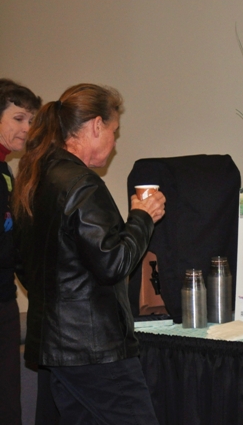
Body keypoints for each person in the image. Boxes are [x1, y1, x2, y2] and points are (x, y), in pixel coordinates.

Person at [13, 83, 166, 424]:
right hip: (94, 349)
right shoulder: (81, 183)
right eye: (114, 131)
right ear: (97, 125)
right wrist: (142, 217)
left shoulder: (35, 176)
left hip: (56, 346)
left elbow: (24, 263)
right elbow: (113, 263)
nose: (114, 143)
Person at [0, 78, 41, 425]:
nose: (27, 128)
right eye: (18, 118)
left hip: (4, 299)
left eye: (31, 120)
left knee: (8, 403)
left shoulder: (6, 171)